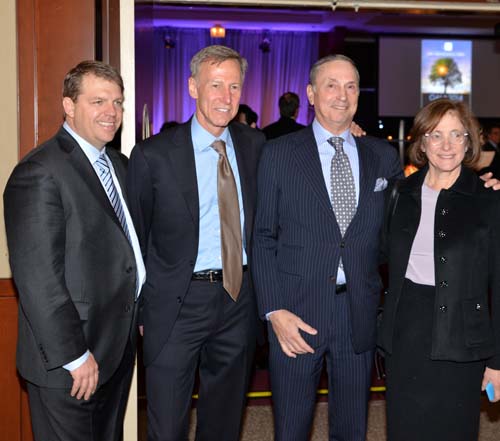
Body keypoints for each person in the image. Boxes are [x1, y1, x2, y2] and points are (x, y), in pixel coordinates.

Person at [252, 54, 403, 441]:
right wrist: (274, 311)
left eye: (351, 86)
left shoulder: (382, 156)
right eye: (331, 85)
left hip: (358, 312)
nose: (342, 94)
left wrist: (475, 191)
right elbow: (263, 235)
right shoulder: (279, 153)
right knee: (291, 427)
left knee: (353, 427)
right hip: (295, 313)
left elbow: (400, 228)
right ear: (311, 94)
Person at [126, 45, 265, 441]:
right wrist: (138, 310)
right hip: (176, 304)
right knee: (167, 425)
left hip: (238, 300)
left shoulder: (256, 147)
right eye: (215, 85)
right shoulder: (153, 155)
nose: (225, 97)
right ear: (192, 87)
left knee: (223, 423)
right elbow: (135, 237)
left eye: (234, 86)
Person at [3, 60, 145, 441]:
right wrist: (74, 356)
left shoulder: (118, 164)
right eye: (98, 101)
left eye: (117, 102)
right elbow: (38, 279)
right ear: (68, 106)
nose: (111, 113)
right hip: (70, 361)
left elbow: (127, 252)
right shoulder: (39, 172)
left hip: (115, 349)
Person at [378, 98, 500, 441]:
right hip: (405, 335)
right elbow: (380, 255)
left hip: (463, 338)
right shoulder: (399, 194)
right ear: (422, 142)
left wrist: (498, 362)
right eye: (435, 135)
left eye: (456, 135)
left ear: (468, 142)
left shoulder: (489, 199)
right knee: (405, 428)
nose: (446, 145)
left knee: (454, 430)